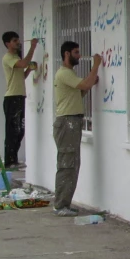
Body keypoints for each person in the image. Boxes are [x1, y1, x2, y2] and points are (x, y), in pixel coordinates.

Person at [52, 41, 102, 216]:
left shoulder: (69, 74)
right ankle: (60, 205)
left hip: (72, 122)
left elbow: (80, 92)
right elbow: (85, 85)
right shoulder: (64, 73)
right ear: (66, 54)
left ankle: (64, 203)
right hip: (67, 123)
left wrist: (90, 81)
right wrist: (95, 66)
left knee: (72, 164)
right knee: (67, 165)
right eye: (75, 52)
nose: (79, 55)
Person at [1, 32, 38, 169]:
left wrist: (29, 70)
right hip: (12, 98)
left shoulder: (15, 58)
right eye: (14, 40)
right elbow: (23, 64)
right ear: (7, 44)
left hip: (19, 96)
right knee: (13, 130)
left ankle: (14, 159)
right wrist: (32, 47)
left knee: (20, 130)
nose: (18, 42)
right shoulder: (8, 58)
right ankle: (9, 161)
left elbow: (20, 76)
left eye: (18, 40)